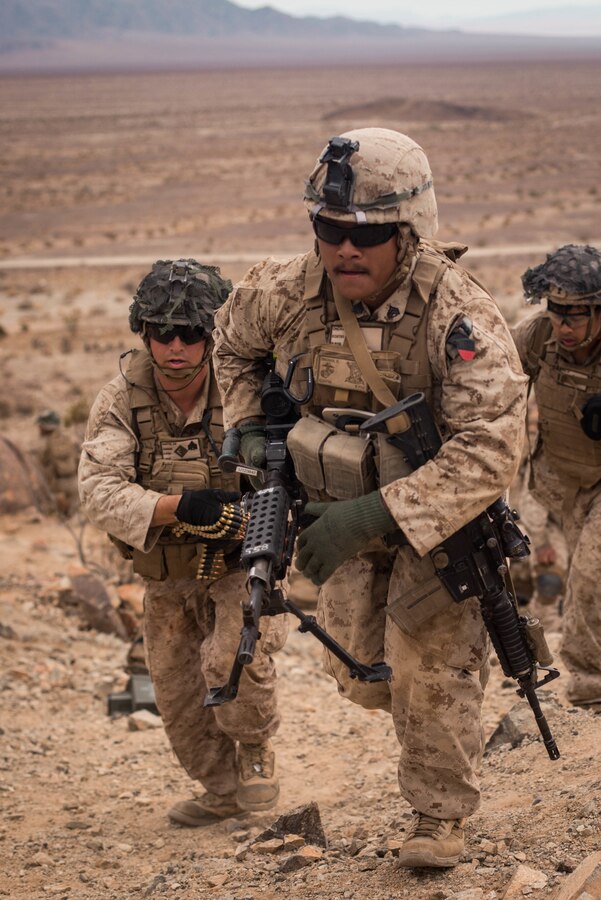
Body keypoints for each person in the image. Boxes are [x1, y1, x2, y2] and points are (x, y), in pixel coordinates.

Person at [213, 129, 527, 868]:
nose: (345, 250)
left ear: (410, 232)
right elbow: (229, 343)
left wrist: (379, 512)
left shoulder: (457, 315)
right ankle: (439, 712)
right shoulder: (285, 291)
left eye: (369, 235)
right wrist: (248, 428)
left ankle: (437, 817)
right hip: (335, 511)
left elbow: (493, 445)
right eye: (330, 231)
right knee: (360, 674)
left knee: (425, 669)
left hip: (436, 521)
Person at [79, 259, 287, 826]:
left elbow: (291, 467)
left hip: (237, 561)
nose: (176, 346)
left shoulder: (247, 391)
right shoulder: (122, 400)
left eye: (191, 333)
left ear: (212, 335)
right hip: (166, 572)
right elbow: (97, 490)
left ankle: (254, 752)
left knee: (230, 660)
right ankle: (219, 790)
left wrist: (256, 514)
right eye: (162, 333)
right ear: (143, 333)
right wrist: (177, 506)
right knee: (175, 695)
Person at [512, 244, 601, 710]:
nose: (564, 325)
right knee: (555, 574)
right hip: (556, 482)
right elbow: (498, 381)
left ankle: (590, 689)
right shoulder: (539, 338)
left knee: (588, 577)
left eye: (577, 314)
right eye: (556, 311)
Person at [35, 409, 80, 516]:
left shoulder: (44, 445)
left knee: (59, 521)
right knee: (75, 518)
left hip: (56, 486)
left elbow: (42, 468)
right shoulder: (70, 438)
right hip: (75, 482)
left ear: (44, 427)